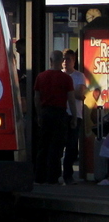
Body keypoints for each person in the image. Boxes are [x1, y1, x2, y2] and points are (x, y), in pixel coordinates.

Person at [33, 50, 75, 184]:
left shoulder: (41, 76)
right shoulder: (66, 78)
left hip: (45, 112)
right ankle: (53, 176)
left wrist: (39, 114)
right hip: (60, 114)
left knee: (43, 145)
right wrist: (74, 116)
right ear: (61, 61)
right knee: (56, 147)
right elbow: (71, 99)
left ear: (50, 61)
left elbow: (36, 97)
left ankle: (39, 176)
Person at [63, 49, 87, 183]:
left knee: (72, 146)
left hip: (75, 114)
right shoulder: (59, 75)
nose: (65, 62)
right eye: (64, 59)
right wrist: (73, 93)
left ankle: (68, 174)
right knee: (60, 145)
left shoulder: (79, 76)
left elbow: (81, 94)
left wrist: (65, 92)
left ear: (74, 61)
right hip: (62, 113)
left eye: (68, 59)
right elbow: (77, 94)